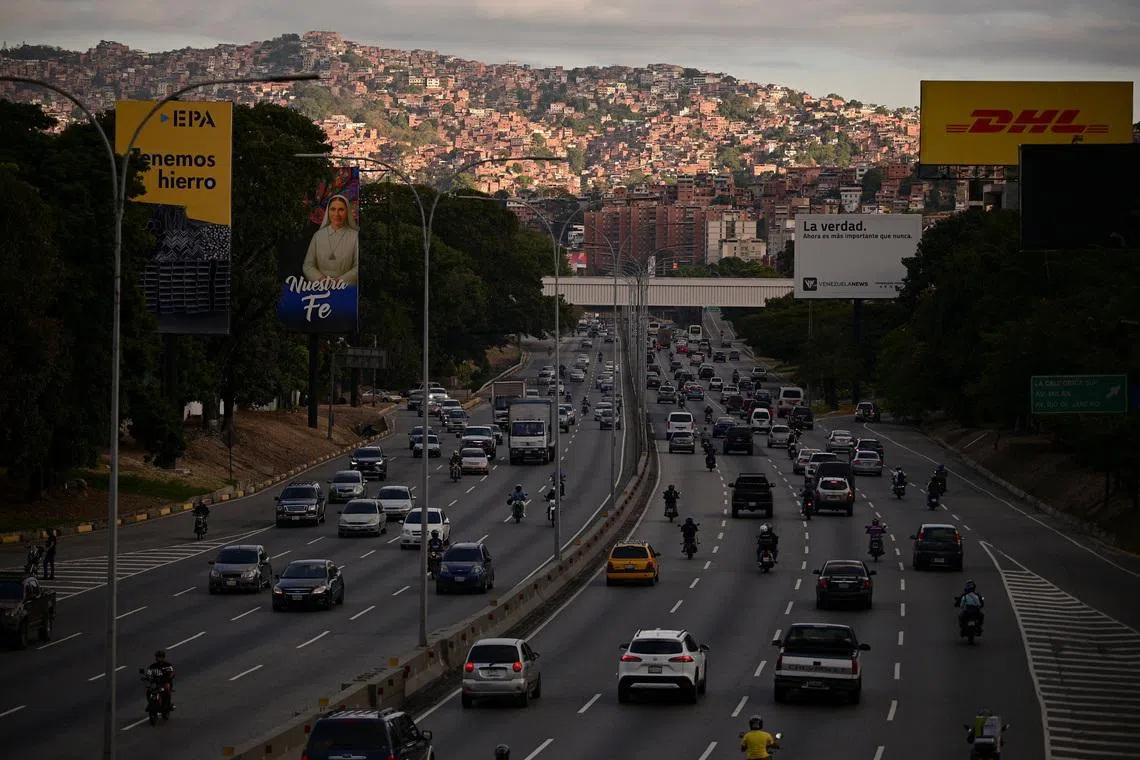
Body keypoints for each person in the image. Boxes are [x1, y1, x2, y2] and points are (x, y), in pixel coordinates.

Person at [302, 194, 359, 284]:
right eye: (333, 209)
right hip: (320, 288)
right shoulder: (318, 236)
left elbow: (358, 267)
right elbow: (308, 265)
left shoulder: (355, 237)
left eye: (341, 210)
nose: (336, 214)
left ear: (347, 212)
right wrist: (321, 280)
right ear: (328, 211)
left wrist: (339, 281)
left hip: (346, 288)